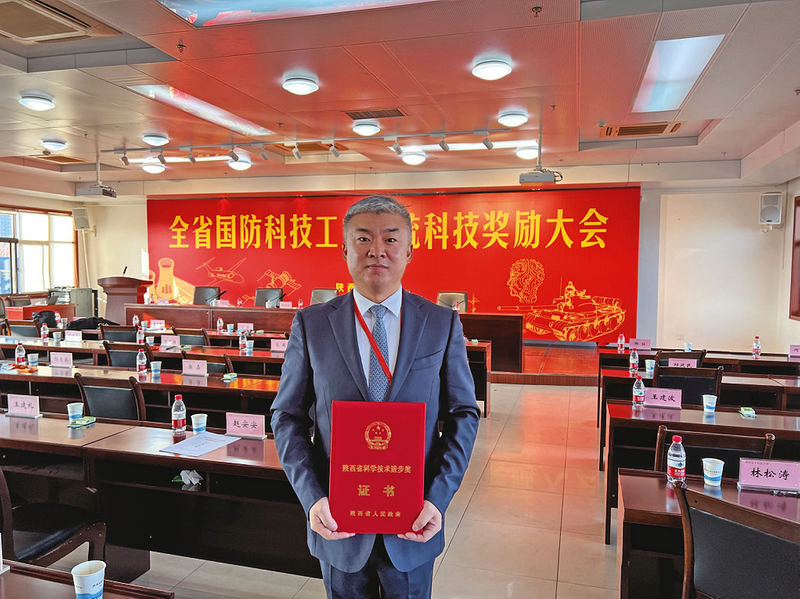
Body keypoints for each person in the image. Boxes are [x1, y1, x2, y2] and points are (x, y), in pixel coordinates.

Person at [271, 195, 480, 598]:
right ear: (345, 250)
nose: (377, 250)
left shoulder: (440, 323)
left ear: (409, 251)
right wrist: (313, 498)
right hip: (339, 523)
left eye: (391, 239)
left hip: (414, 522)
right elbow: (287, 417)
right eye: (364, 238)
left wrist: (437, 499)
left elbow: (463, 415)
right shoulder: (312, 324)